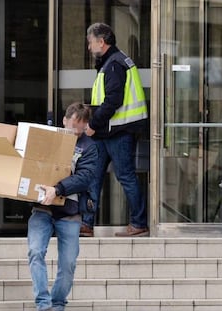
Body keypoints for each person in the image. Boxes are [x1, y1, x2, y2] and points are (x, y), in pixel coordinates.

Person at [27, 102, 98, 311]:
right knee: (35, 251)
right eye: (73, 126)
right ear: (64, 120)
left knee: (68, 264)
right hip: (42, 208)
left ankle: (57, 303)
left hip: (70, 212)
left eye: (81, 129)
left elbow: (84, 177)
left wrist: (57, 189)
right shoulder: (47, 138)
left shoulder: (89, 147)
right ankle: (43, 303)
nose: (75, 132)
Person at [82, 22, 149, 237]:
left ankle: (138, 224)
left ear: (101, 42)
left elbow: (112, 101)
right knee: (93, 176)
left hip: (117, 132)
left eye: (91, 43)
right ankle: (87, 223)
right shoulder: (113, 62)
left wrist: (92, 124)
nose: (89, 48)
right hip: (109, 132)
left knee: (125, 177)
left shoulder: (114, 64)